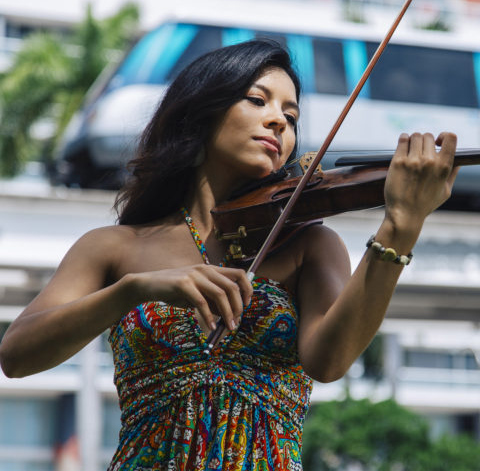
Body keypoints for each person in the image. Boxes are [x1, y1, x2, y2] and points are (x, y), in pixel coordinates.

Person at [0, 40, 458, 470]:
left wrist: (402, 224)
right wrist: (134, 289)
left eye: (291, 115)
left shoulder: (309, 244)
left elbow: (330, 361)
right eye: (258, 100)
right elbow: (17, 356)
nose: (279, 121)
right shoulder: (113, 247)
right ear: (202, 111)